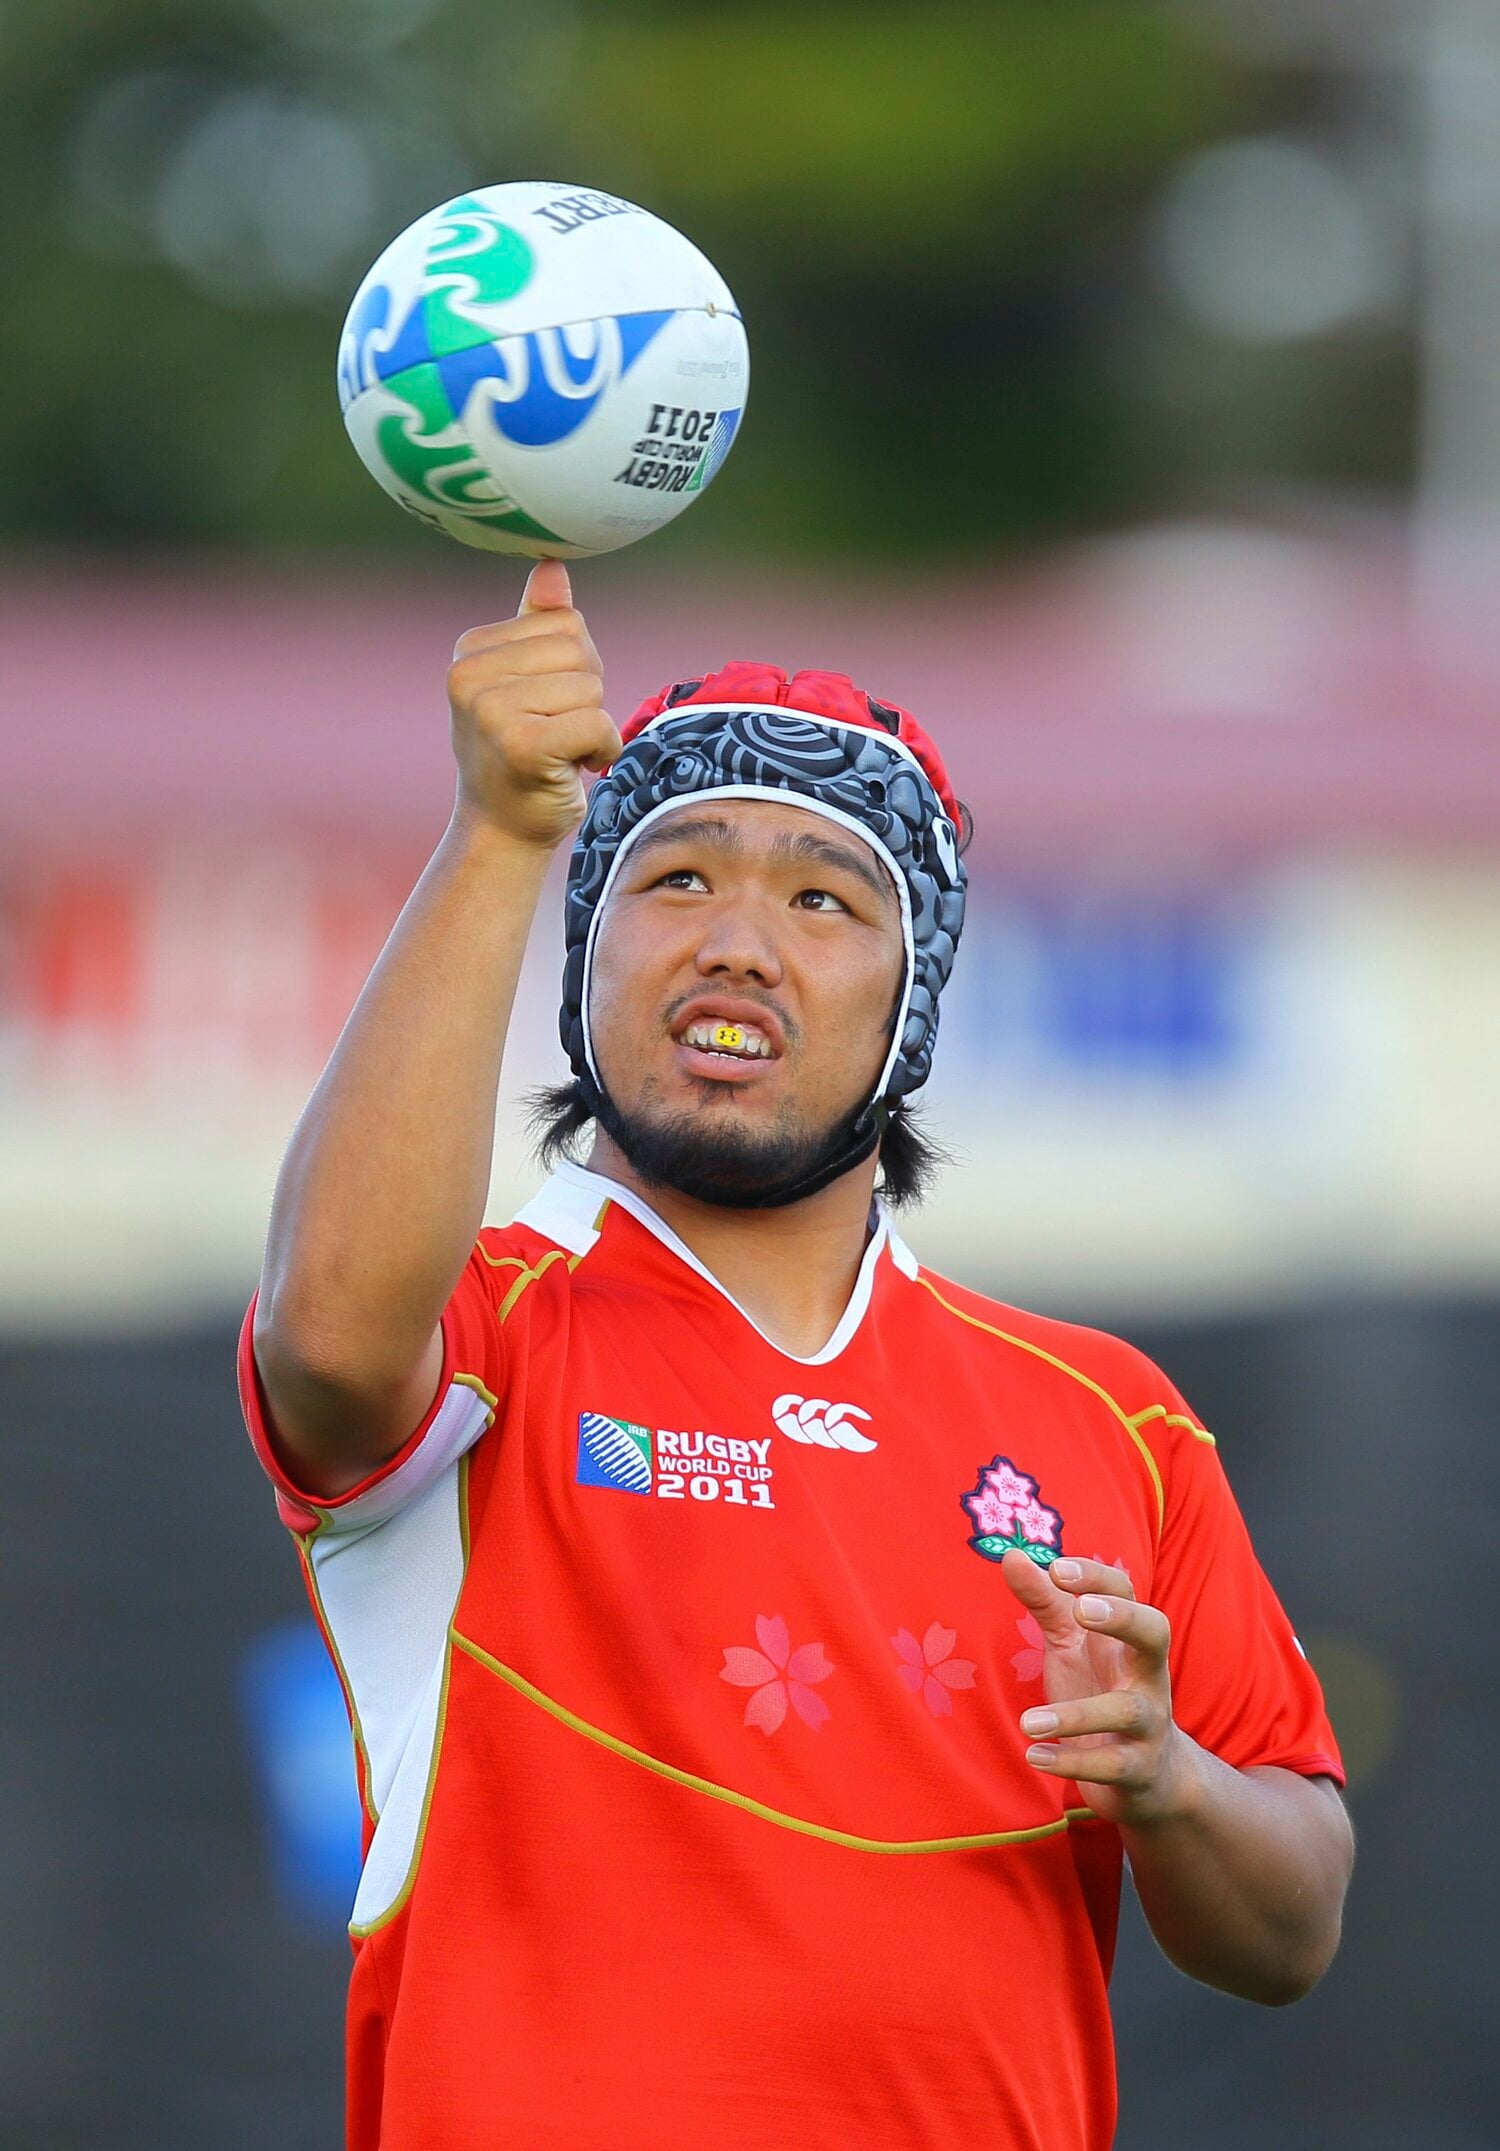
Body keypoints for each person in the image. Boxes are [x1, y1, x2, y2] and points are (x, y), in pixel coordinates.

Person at [240, 561, 1353, 2151]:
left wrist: (1167, 1782)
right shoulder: (486, 1331)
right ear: (585, 958)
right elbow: (328, 1335)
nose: (740, 943)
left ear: (915, 1006)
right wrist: (497, 832)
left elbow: (1292, 1929)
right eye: (674, 880)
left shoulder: (1111, 1416)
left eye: (824, 898)